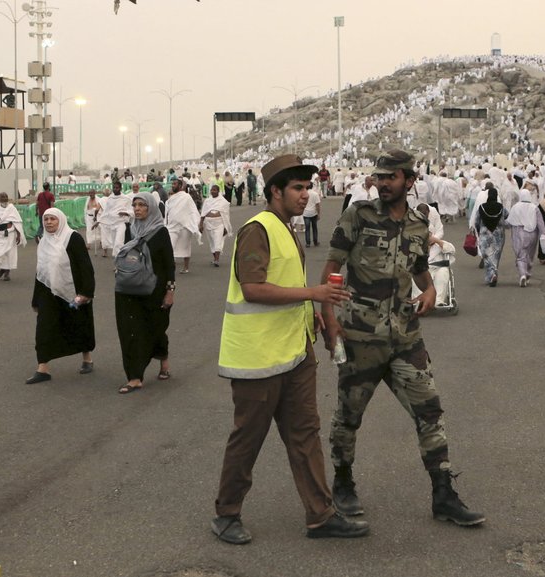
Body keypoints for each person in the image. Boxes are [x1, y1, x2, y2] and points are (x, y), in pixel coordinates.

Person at [321, 149, 485, 528]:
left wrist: (428, 291)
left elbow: (418, 268)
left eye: (390, 177)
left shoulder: (418, 222)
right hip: (361, 337)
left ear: (409, 182)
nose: (382, 183)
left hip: (406, 340)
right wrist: (329, 322)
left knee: (430, 412)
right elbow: (331, 269)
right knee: (348, 417)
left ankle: (443, 493)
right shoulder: (357, 216)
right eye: (379, 177)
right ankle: (343, 483)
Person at [213, 154, 369, 545]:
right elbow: (253, 288)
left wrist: (310, 313)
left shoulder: (286, 228)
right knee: (248, 437)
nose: (305, 195)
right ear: (274, 192)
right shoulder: (257, 229)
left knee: (305, 435)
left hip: (295, 353)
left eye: (307, 187)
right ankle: (227, 513)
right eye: (297, 188)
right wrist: (313, 294)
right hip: (257, 358)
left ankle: (321, 515)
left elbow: (284, 286)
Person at [25, 208, 96, 384]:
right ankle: (43, 368)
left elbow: (85, 266)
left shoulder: (73, 238)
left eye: (52, 219)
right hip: (48, 293)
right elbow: (40, 271)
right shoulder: (43, 242)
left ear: (61, 221)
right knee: (44, 328)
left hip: (74, 293)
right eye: (46, 219)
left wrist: (86, 292)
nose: (48, 222)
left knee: (79, 324)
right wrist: (36, 299)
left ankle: (87, 357)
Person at [114, 192, 175, 394]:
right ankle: (134, 376)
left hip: (154, 291)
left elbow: (169, 265)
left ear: (151, 208)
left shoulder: (160, 232)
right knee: (131, 331)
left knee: (154, 329)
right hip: (128, 289)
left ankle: (163, 360)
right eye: (135, 205)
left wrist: (170, 291)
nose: (138, 209)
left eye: (142, 205)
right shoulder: (130, 230)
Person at [507, 190, 545, 287]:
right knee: (530, 255)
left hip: (518, 233)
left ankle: (522, 274)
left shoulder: (515, 207)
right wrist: (544, 235)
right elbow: (540, 223)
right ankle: (527, 274)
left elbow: (509, 222)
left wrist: (499, 223)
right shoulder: (535, 208)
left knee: (520, 256)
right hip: (532, 233)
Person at [473, 186, 508, 287]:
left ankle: (491, 274)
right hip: (498, 236)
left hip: (485, 235)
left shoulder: (482, 207)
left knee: (487, 255)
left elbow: (476, 221)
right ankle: (493, 273)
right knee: (495, 255)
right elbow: (506, 215)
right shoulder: (501, 208)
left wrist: (479, 230)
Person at [165, 178, 201, 273]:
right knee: (169, 247)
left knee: (185, 247)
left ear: (180, 186)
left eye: (175, 184)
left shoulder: (186, 197)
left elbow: (192, 211)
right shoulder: (171, 198)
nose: (173, 185)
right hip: (172, 227)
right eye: (172, 184)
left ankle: (186, 268)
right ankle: (171, 268)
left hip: (185, 226)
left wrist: (197, 223)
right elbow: (168, 212)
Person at [0, 192, 26, 281]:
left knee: (9, 254)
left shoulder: (12, 209)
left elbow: (17, 221)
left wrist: (18, 234)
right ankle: (2, 269)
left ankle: (6, 273)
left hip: (10, 234)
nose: (5, 199)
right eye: (2, 198)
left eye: (6, 197)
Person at [200, 185, 232, 267]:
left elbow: (226, 215)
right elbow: (203, 213)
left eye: (214, 190)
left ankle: (217, 260)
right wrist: (201, 224)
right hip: (208, 223)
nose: (212, 191)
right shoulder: (207, 201)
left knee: (218, 240)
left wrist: (225, 227)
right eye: (211, 190)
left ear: (218, 191)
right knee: (212, 242)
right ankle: (215, 258)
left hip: (219, 223)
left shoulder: (223, 201)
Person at [98, 180, 132, 258]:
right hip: (112, 224)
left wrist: (125, 213)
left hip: (121, 224)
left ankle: (119, 263)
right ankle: (117, 263)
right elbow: (106, 211)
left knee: (118, 243)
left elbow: (131, 210)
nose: (115, 189)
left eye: (117, 188)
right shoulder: (110, 198)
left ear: (120, 188)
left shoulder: (126, 198)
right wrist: (98, 221)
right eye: (114, 187)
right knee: (114, 245)